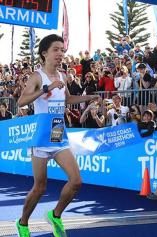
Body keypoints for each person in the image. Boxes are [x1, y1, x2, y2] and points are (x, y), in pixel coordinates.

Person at [16, 34, 99, 237]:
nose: (61, 53)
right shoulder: (37, 76)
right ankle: (23, 223)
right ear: (44, 53)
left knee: (76, 181)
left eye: (62, 50)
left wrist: (89, 97)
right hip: (41, 139)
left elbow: (67, 99)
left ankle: (55, 215)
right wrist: (46, 88)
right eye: (56, 49)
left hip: (59, 135)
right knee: (40, 187)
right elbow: (21, 102)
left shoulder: (62, 76)